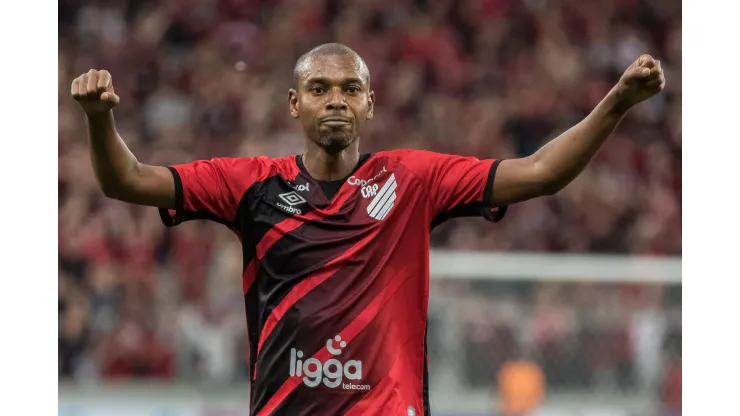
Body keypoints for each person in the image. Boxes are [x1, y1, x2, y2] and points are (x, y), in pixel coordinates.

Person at [70, 43, 665, 416]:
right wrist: (101, 119)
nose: (336, 100)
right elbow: (129, 181)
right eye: (320, 89)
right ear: (293, 104)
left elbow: (541, 173)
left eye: (350, 89)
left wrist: (616, 101)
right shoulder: (250, 184)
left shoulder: (412, 179)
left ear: (370, 105)